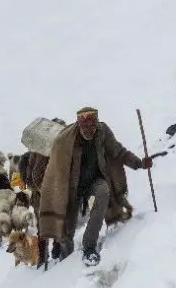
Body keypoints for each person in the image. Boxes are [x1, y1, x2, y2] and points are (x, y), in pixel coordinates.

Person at [37, 107, 151, 266]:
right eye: (85, 126)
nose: (89, 129)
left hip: (94, 182)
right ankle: (65, 261)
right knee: (66, 231)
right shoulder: (65, 140)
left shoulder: (102, 131)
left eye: (92, 126)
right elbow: (55, 171)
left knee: (103, 191)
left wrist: (139, 163)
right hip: (71, 188)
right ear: (78, 124)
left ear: (96, 123)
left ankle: (89, 246)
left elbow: (118, 151)